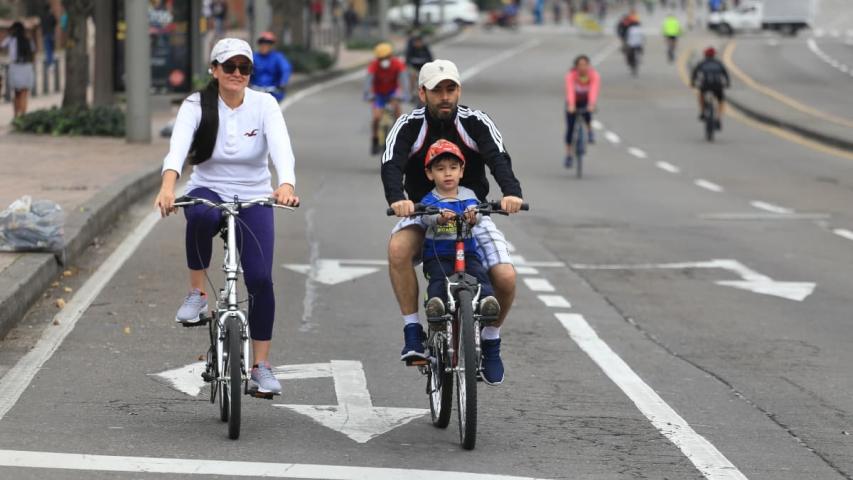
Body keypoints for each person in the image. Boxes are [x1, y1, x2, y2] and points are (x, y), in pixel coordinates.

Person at [154, 38, 299, 396]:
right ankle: (197, 294)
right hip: (210, 188)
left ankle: (261, 366)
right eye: (229, 67)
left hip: (254, 195)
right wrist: (167, 187)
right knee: (199, 215)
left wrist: (285, 184)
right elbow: (177, 150)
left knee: (261, 279)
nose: (237, 74)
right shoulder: (195, 104)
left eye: (244, 68)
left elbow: (282, 147)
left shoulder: (265, 104)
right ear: (214, 70)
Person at [382, 59, 524, 385]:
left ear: (458, 90)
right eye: (437, 91)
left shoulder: (476, 122)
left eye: (451, 89)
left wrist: (511, 194)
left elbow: (498, 157)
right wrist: (398, 200)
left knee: (505, 277)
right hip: (425, 213)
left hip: (472, 213)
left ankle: (490, 342)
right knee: (398, 250)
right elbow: (391, 163)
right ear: (422, 93)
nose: (445, 97)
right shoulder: (408, 125)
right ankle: (413, 332)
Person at [419, 139, 501, 327]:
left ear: (461, 171)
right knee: (439, 280)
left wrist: (473, 216)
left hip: (467, 252)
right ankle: (435, 307)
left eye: (453, 167)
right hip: (438, 254)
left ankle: (487, 302)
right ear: (430, 174)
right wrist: (438, 217)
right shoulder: (431, 198)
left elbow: (476, 210)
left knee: (480, 275)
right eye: (440, 169)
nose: (448, 173)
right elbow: (425, 217)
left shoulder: (467, 195)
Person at [365, 42, 408, 155]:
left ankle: (398, 140)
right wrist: (367, 94)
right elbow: (368, 81)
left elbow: (404, 80)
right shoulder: (374, 65)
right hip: (378, 95)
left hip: (392, 93)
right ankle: (375, 139)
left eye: (386, 57)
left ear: (391, 55)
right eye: (381, 58)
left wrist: (404, 94)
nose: (384, 60)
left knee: (399, 117)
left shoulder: (398, 64)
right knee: (376, 118)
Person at [564, 54, 600, 168]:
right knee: (570, 128)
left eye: (585, 65)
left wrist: (592, 104)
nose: (583, 67)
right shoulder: (571, 75)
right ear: (576, 66)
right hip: (573, 101)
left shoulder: (593, 75)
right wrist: (571, 105)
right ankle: (568, 154)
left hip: (585, 100)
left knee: (587, 114)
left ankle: (589, 131)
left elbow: (593, 90)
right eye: (580, 65)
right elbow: (570, 91)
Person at [1, 22, 35, 119]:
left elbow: (2, 46)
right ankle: (23, 115)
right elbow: (33, 53)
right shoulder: (28, 40)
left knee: (17, 93)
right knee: (24, 93)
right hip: (27, 67)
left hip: (15, 67)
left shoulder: (11, 39)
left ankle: (16, 115)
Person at [691, 46, 731, 126]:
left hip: (705, 85)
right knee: (721, 101)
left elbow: (694, 74)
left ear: (705, 55)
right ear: (714, 55)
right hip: (717, 86)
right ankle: (718, 118)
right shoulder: (719, 63)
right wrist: (727, 84)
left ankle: (702, 112)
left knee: (701, 95)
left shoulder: (701, 63)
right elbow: (726, 75)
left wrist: (693, 83)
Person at [251, 31, 293, 102]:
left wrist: (283, 83)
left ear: (271, 46)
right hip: (255, 91)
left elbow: (285, 69)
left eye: (267, 44)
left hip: (273, 92)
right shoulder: (254, 57)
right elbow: (246, 70)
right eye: (262, 43)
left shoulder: (277, 57)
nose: (264, 46)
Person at [404, 33, 433, 103]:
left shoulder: (425, 48)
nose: (418, 43)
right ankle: (411, 94)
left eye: (419, 42)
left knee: (428, 79)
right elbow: (407, 60)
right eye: (416, 42)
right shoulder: (411, 49)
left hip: (423, 68)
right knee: (412, 76)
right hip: (414, 68)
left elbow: (430, 59)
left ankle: (428, 93)